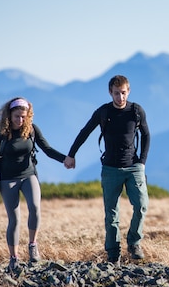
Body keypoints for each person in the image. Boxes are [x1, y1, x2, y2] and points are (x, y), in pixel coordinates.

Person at [64, 75, 150, 265]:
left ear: (129, 91)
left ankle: (134, 243)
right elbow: (85, 131)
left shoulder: (136, 111)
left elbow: (146, 135)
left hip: (133, 167)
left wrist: (142, 162)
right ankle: (113, 252)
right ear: (110, 92)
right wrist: (71, 154)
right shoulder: (103, 112)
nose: (120, 97)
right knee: (111, 214)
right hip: (110, 168)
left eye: (123, 93)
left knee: (142, 205)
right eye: (117, 93)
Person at [0, 97, 68, 273]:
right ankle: (14, 258)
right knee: (14, 220)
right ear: (9, 115)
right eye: (17, 116)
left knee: (35, 208)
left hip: (28, 175)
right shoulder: (0, 133)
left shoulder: (31, 129)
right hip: (8, 179)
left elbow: (47, 149)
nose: (20, 120)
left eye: (24, 117)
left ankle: (33, 245)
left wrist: (66, 159)